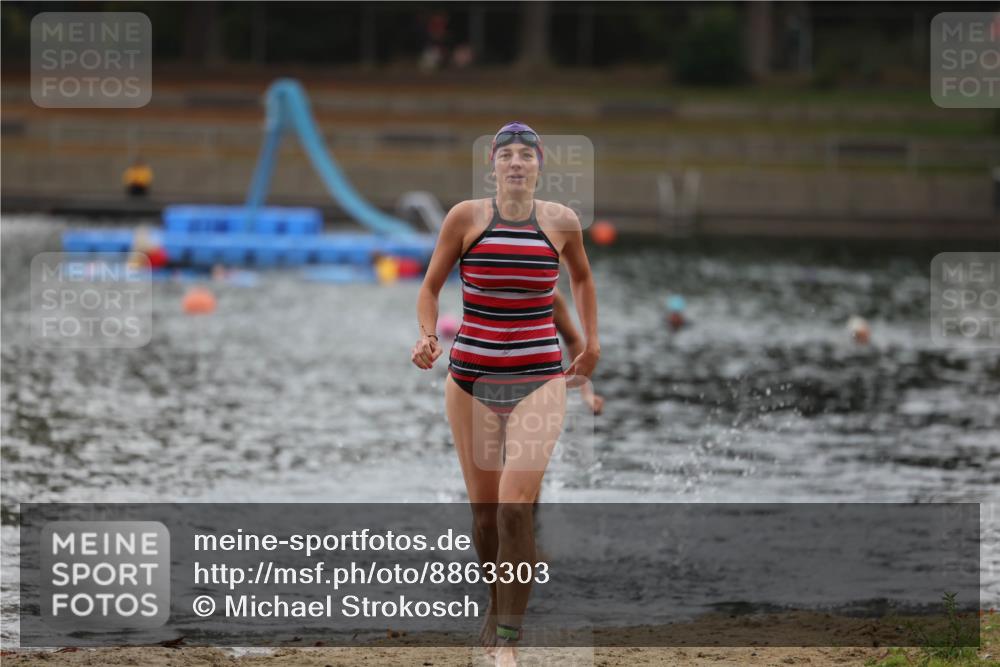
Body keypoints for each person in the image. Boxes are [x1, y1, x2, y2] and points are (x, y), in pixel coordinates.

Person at [412, 122, 599, 666]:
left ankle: (509, 641)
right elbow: (428, 288)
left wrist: (592, 344)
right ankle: (493, 605)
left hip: (539, 378)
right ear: (492, 165)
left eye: (526, 155)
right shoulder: (465, 218)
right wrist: (427, 336)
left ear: (540, 165)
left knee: (518, 509)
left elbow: (583, 280)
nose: (516, 162)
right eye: (506, 154)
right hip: (469, 378)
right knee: (488, 517)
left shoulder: (562, 222)